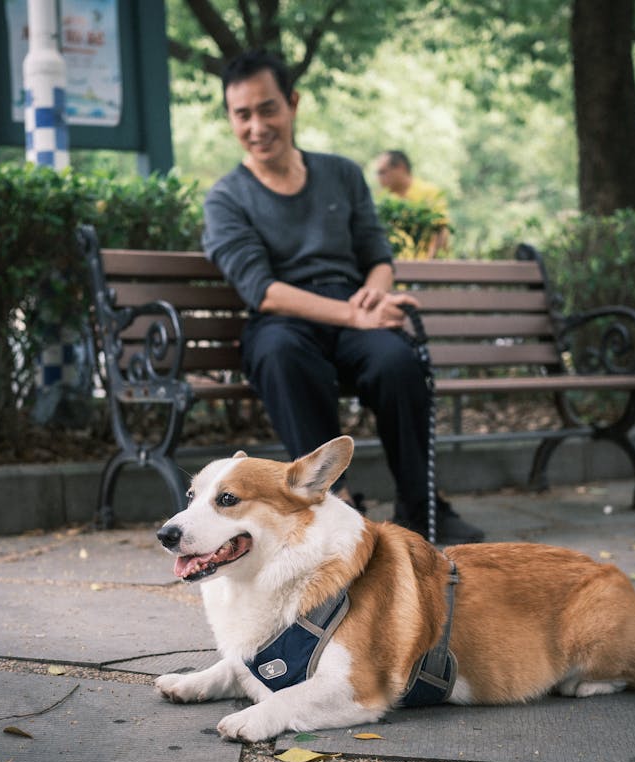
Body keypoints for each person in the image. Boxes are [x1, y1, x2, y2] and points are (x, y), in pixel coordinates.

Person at [201, 49, 483, 545]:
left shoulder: (343, 174)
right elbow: (262, 290)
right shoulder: (226, 198)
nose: (256, 125)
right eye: (241, 114)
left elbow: (377, 254)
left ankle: (422, 506)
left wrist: (374, 299)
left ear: (292, 103)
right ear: (230, 118)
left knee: (397, 362)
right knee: (281, 356)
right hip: (283, 317)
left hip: (351, 310)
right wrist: (357, 314)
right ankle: (334, 503)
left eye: (267, 109)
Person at [376, 149, 450, 258]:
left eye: (382, 172)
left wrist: (431, 262)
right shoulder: (387, 202)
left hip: (426, 267)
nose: (379, 179)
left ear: (400, 168)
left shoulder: (428, 192)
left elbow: (441, 230)